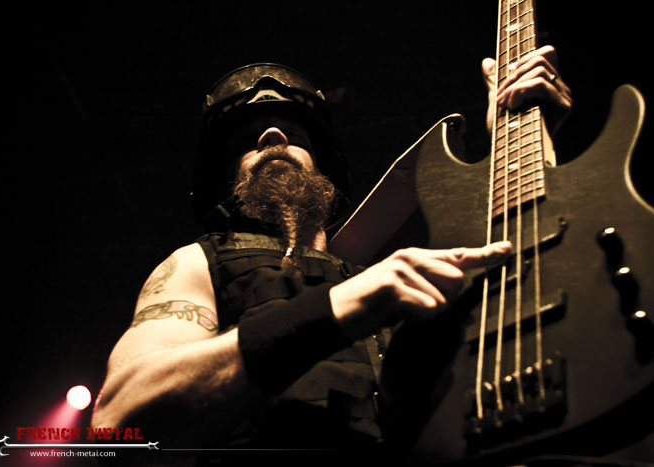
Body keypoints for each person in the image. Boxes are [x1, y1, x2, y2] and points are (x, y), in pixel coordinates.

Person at [90, 46, 572, 465]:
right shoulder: (199, 261)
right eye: (245, 140)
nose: (272, 136)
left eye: (295, 134)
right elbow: (117, 422)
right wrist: (341, 306)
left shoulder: (392, 282)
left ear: (325, 168)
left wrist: (529, 131)